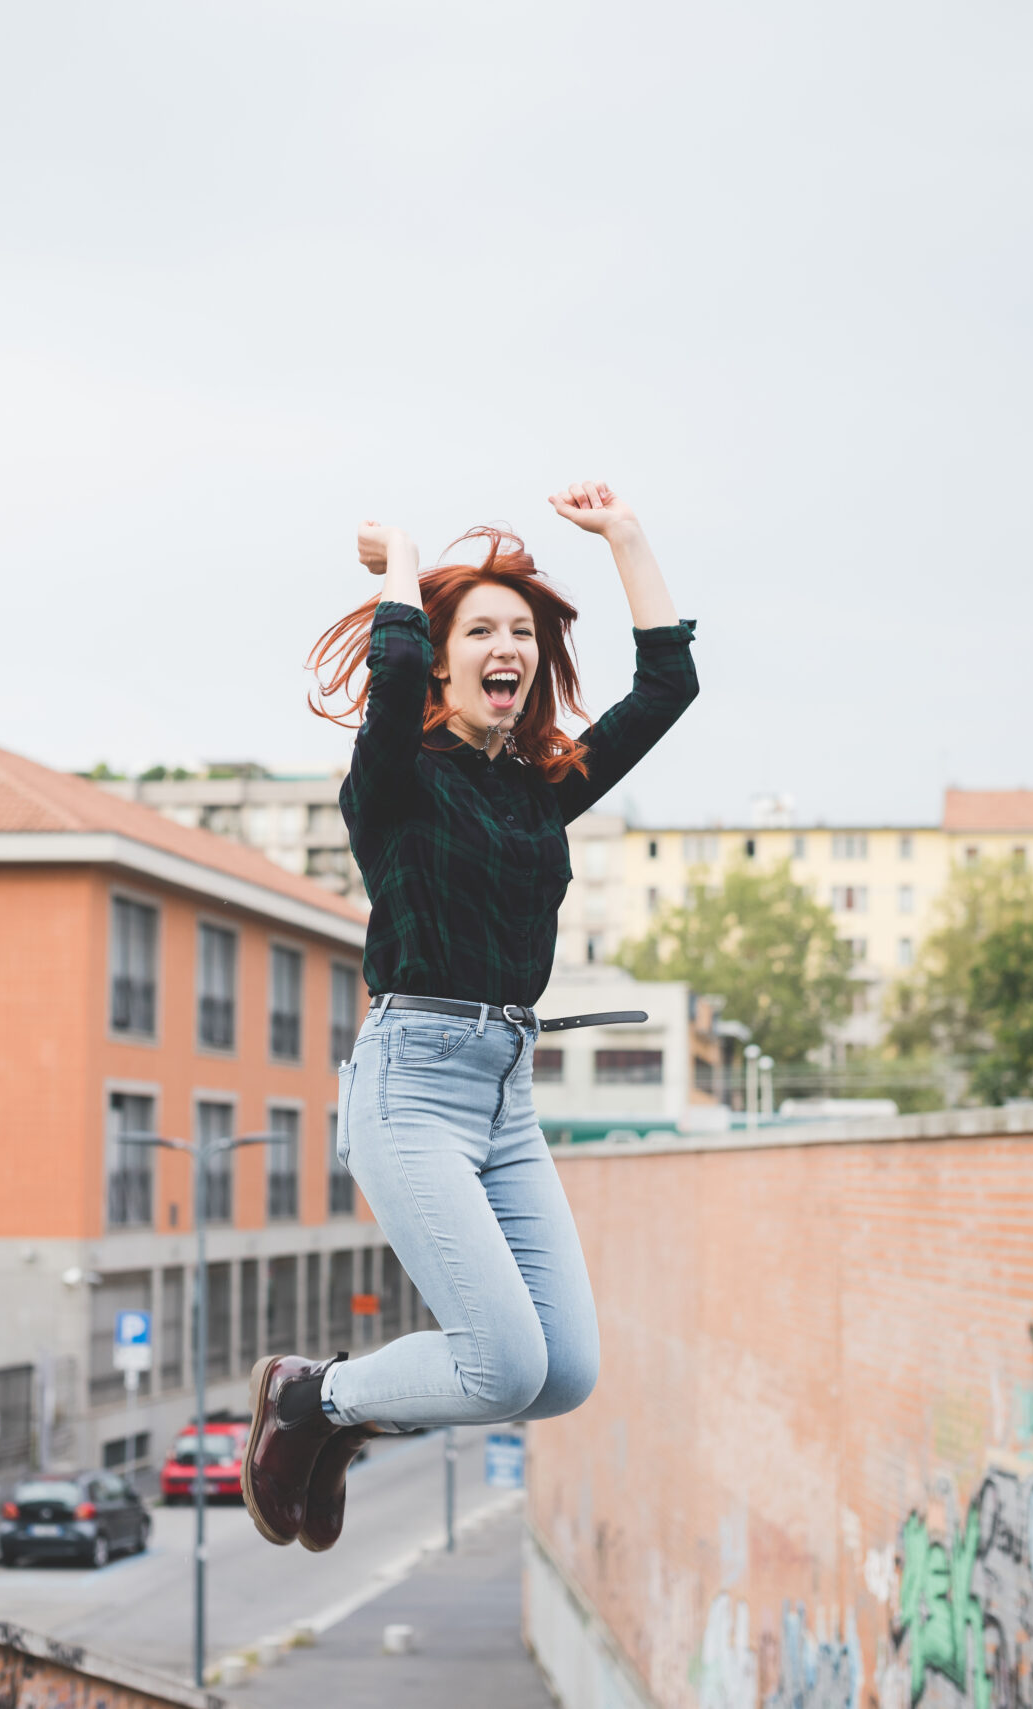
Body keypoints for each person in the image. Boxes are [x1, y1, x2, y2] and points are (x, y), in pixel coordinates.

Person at [240, 481, 697, 1552]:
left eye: (523, 632)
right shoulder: (393, 778)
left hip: (505, 1095)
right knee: (499, 1361)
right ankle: (307, 1401)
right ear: (443, 659)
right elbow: (391, 672)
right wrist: (401, 559)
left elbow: (668, 682)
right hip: (411, 1088)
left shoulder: (538, 789)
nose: (510, 647)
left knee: (562, 1373)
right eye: (481, 630)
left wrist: (626, 536)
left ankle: (334, 1410)